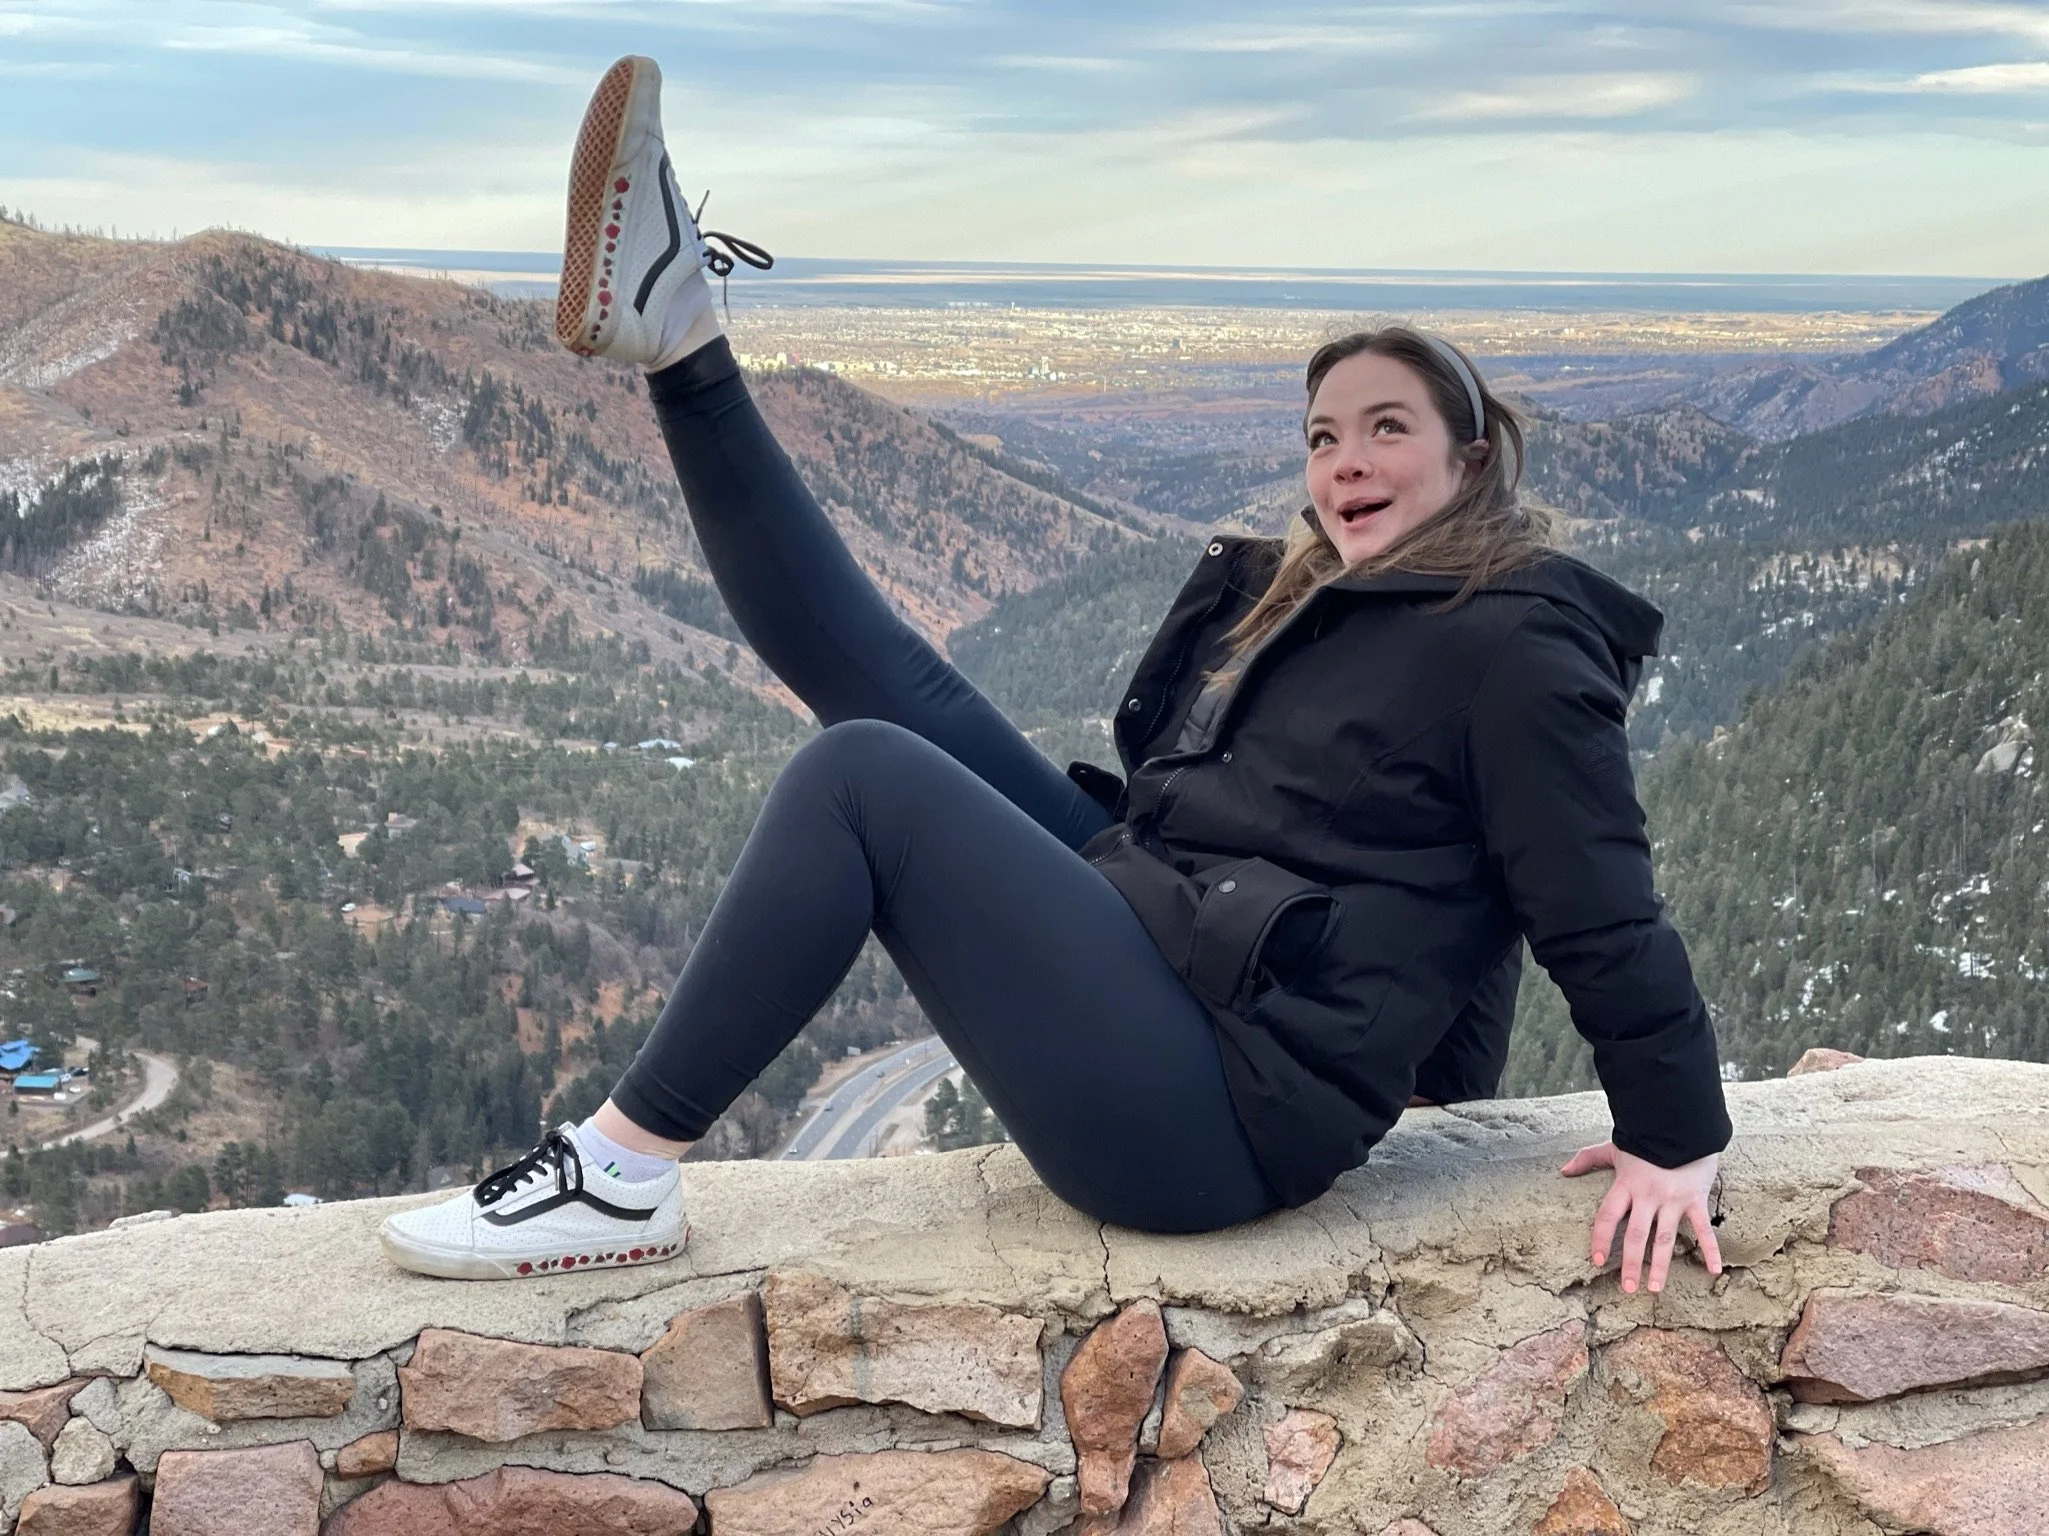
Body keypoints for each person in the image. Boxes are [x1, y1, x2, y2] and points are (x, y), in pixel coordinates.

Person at [381, 55, 1731, 1294]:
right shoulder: (1342, 602)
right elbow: (1453, 878)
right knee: (891, 691)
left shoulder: (1521, 638)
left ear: (1473, 457)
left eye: (1387, 428)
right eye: (1325, 436)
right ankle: (681, 339)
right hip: (1173, 935)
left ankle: (619, 1177)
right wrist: (1446, 1083)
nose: (1345, 463)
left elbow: (1589, 900)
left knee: (866, 783)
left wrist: (1672, 1130)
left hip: (1209, 1111)